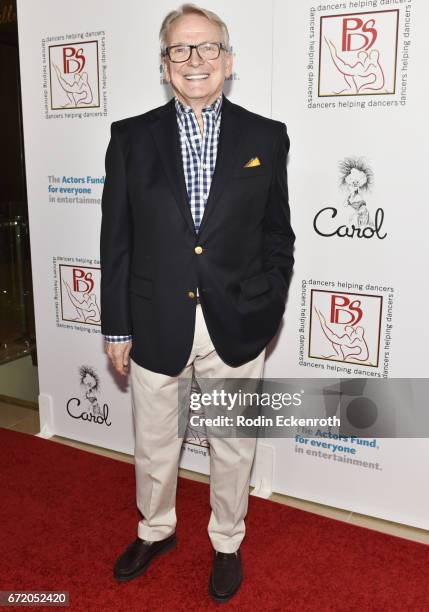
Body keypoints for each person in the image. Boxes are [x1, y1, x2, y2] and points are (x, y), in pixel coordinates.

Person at [100, 3, 295, 603]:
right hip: (157, 318)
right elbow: (118, 237)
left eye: (207, 47)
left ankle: (227, 541)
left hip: (235, 321)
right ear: (164, 65)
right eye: (179, 50)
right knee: (154, 440)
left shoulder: (267, 136)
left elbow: (277, 235)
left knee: (233, 442)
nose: (194, 60)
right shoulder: (131, 138)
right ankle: (156, 531)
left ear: (228, 59)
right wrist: (115, 325)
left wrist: (267, 307)